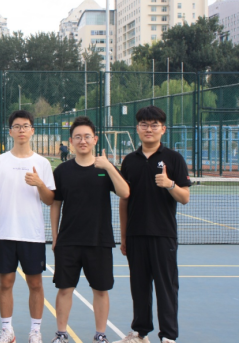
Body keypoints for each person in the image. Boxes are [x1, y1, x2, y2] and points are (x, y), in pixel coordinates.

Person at [113, 106, 190, 343]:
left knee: (166, 287)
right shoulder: (129, 161)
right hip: (135, 235)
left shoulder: (174, 159)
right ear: (137, 128)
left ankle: (168, 336)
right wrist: (124, 236)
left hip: (163, 235)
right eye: (144, 124)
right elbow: (124, 200)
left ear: (163, 129)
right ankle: (140, 333)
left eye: (154, 125)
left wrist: (169, 184)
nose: (149, 129)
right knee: (139, 287)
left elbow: (185, 197)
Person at [50, 117, 130, 343]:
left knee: (101, 290)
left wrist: (109, 166)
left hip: (99, 240)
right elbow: (55, 204)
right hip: (68, 241)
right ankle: (61, 334)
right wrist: (55, 237)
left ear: (95, 139)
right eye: (78, 137)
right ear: (71, 141)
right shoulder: (62, 171)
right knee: (64, 289)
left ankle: (100, 335)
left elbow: (125, 192)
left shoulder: (105, 168)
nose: (82, 141)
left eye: (87, 136)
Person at [0, 110, 56, 343]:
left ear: (32, 130)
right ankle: (7, 330)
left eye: (25, 126)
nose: (21, 130)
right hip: (5, 234)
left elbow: (49, 200)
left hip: (32, 234)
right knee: (5, 283)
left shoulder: (42, 163)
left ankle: (35, 331)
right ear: (10, 132)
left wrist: (39, 184)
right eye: (17, 126)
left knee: (35, 283)